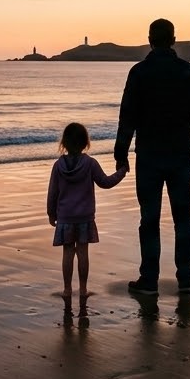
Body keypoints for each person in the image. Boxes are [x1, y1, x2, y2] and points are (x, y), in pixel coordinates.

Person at [114, 18, 190, 296]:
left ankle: (149, 280)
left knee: (149, 219)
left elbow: (127, 116)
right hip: (180, 154)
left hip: (149, 156)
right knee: (183, 217)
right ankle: (185, 279)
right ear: (173, 39)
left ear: (150, 40)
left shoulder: (139, 73)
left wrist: (121, 152)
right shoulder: (188, 72)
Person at [47, 122, 127, 309]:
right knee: (82, 252)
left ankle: (67, 289)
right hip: (84, 217)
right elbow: (105, 182)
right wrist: (122, 172)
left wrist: (51, 213)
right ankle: (83, 289)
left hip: (65, 217)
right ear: (85, 143)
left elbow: (53, 192)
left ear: (64, 143)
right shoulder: (90, 163)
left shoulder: (58, 166)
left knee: (68, 253)